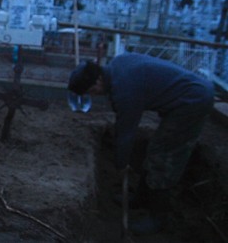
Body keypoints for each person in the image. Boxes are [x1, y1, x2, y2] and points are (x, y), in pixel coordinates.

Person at [68, 53, 214, 235]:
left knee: (163, 157)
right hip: (187, 95)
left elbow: (126, 131)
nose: (94, 95)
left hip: (192, 101)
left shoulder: (125, 89)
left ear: (97, 81)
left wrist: (121, 163)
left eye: (91, 91)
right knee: (155, 148)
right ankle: (140, 199)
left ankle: (158, 218)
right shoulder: (118, 64)